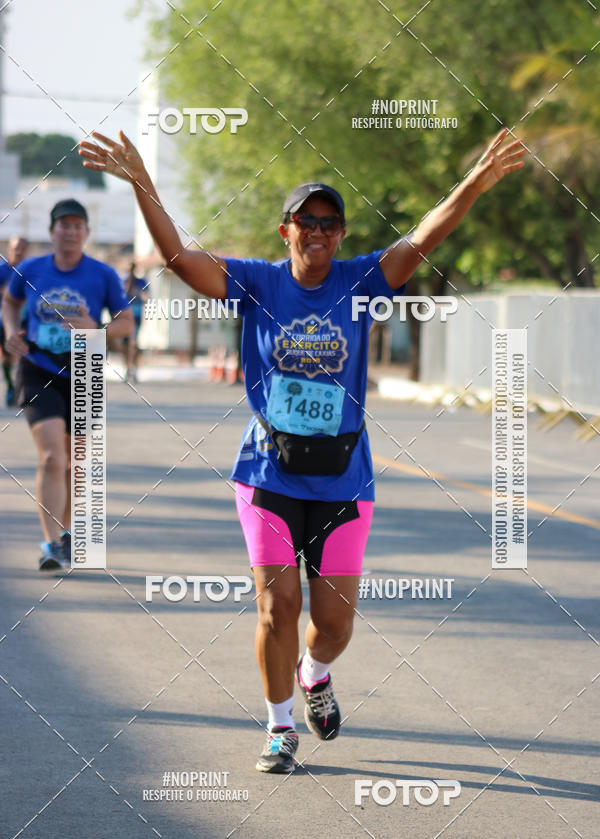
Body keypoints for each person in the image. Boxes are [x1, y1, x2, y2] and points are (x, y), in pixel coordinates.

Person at [80, 128, 525, 772]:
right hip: (268, 473)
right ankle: (280, 726)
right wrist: (143, 182)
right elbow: (178, 256)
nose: (318, 231)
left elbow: (423, 237)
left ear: (341, 234)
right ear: (284, 230)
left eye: (329, 222)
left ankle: (315, 674)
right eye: (305, 221)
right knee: (276, 604)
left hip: (344, 479)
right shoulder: (258, 283)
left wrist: (474, 184)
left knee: (335, 622)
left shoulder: (362, 280)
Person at [2, 199, 134, 570]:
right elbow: (9, 302)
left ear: (86, 233)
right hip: (39, 365)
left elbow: (126, 325)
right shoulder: (29, 269)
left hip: (85, 369)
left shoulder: (103, 274)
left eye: (78, 226)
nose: (71, 231)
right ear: (52, 232)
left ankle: (66, 533)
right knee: (51, 456)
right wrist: (12, 333)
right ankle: (51, 543)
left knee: (75, 460)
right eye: (64, 225)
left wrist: (97, 329)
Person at [0, 236, 29, 406]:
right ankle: (11, 386)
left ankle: (21, 389)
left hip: (25, 321)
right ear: (9, 248)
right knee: (7, 357)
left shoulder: (29, 271)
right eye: (16, 247)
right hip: (4, 321)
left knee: (23, 356)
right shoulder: (3, 270)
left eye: (22, 248)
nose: (18, 251)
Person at [121, 260, 148, 381]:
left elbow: (145, 296)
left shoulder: (141, 282)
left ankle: (133, 369)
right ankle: (128, 368)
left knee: (133, 343)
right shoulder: (123, 281)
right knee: (124, 344)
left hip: (136, 315)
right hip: (125, 316)